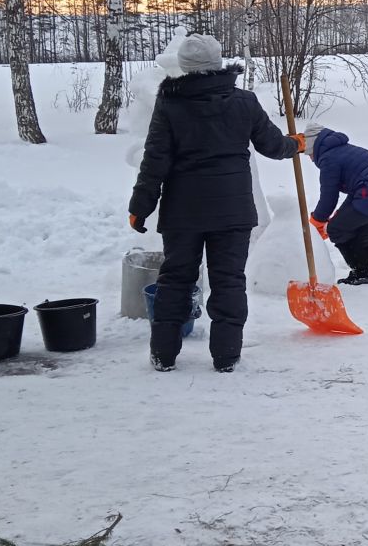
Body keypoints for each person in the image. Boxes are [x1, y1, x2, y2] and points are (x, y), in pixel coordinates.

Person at [127, 34, 302, 373]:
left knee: (175, 280)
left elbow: (155, 161)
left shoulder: (170, 103)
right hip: (232, 212)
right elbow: (272, 145)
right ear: (217, 62)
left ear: (186, 66)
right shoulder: (244, 101)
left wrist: (140, 206)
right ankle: (226, 356)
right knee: (229, 281)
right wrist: (295, 144)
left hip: (183, 212)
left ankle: (163, 355)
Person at [303, 126, 368, 286]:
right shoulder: (343, 150)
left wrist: (317, 221)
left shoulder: (329, 159)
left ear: (314, 148)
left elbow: (329, 196)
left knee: (336, 229)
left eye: (309, 153)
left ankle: (362, 272)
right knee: (360, 231)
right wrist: (338, 214)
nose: (310, 158)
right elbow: (356, 190)